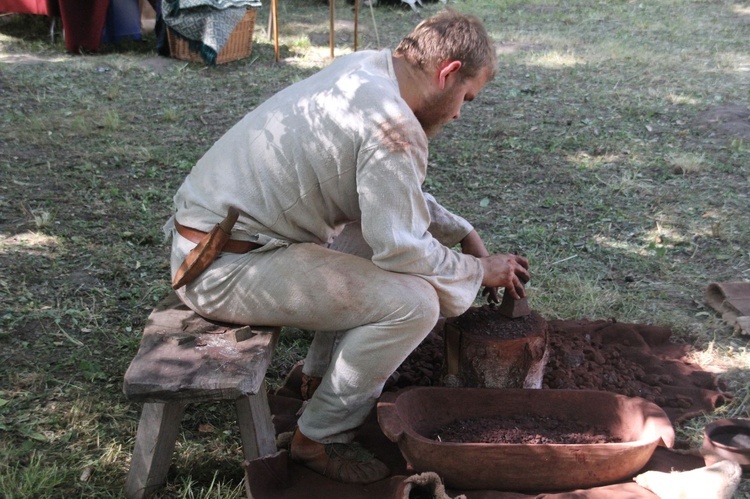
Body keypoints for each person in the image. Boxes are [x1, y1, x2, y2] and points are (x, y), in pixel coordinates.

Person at [164, 9, 530, 485]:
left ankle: (316, 381)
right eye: (467, 97)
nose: (460, 112)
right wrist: (479, 271)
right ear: (448, 74)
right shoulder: (394, 127)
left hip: (213, 244)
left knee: (368, 239)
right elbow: (402, 250)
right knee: (414, 306)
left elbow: (389, 198)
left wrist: (461, 231)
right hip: (225, 268)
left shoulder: (368, 70)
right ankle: (318, 438)